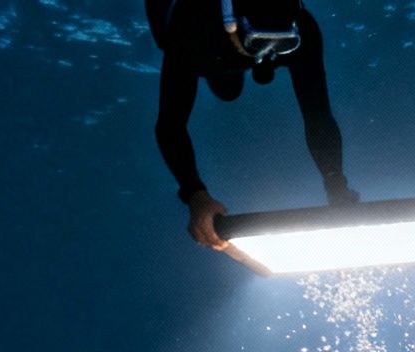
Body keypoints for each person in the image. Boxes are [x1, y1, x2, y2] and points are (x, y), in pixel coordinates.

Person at [149, 0, 360, 250]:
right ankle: (232, 67)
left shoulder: (304, 27)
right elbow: (170, 125)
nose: (270, 48)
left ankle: (252, 56)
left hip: (232, 42)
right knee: (228, 90)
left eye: (284, 42)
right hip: (198, 33)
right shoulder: (191, 30)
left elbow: (318, 115)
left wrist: (336, 184)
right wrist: (195, 195)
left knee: (240, 80)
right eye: (261, 41)